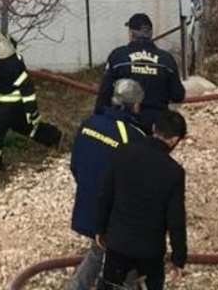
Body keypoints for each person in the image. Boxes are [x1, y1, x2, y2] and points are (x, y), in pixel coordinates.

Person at [94, 110, 188, 290]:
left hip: (117, 242)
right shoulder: (174, 172)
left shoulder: (123, 152)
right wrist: (179, 259)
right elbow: (176, 219)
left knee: (109, 284)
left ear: (154, 128)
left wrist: (99, 227)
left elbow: (106, 193)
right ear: (175, 140)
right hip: (150, 250)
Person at [68, 79, 146, 290]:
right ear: (135, 105)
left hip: (86, 205)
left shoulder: (89, 123)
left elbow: (75, 165)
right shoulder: (133, 136)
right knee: (124, 259)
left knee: (99, 250)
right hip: (112, 215)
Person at [0, 18, 62, 187]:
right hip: (11, 102)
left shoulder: (4, 61)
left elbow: (26, 85)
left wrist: (32, 110)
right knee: (25, 127)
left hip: (8, 104)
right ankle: (54, 137)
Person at [95, 13, 184, 132]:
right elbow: (178, 95)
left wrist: (97, 121)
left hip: (125, 124)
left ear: (131, 34)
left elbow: (104, 94)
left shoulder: (118, 56)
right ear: (151, 34)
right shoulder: (166, 60)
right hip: (156, 126)